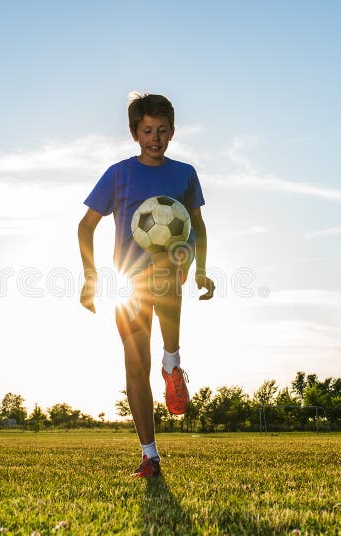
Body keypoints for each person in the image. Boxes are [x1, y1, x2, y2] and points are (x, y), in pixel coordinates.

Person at [77, 92, 215, 478]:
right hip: (127, 281)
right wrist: (91, 277)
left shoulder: (185, 173)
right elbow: (85, 227)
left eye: (163, 130)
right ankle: (150, 456)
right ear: (135, 133)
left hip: (171, 266)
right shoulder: (118, 173)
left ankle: (172, 362)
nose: (156, 138)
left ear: (173, 132)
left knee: (167, 265)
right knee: (135, 365)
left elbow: (198, 227)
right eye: (148, 130)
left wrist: (201, 268)